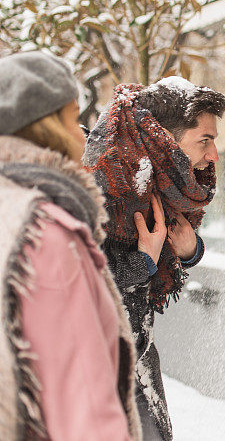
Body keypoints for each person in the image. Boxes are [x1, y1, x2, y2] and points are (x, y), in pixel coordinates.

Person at [0, 51, 141, 440]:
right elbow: (85, 408)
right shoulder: (46, 233)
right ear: (45, 125)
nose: (84, 132)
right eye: (74, 116)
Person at [84, 77, 225, 441]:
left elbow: (166, 243)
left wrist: (189, 250)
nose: (213, 155)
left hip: (135, 354)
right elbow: (77, 276)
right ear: (166, 139)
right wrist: (143, 262)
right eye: (205, 140)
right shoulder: (103, 181)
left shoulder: (156, 179)